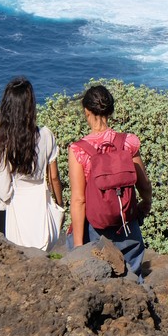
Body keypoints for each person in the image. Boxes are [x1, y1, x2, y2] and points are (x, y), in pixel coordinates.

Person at [69, 84, 153, 281]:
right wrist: (146, 203)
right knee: (134, 278)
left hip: (95, 228)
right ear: (111, 110)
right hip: (126, 222)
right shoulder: (128, 142)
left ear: (86, 111)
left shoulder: (78, 150)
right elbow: (144, 184)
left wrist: (79, 246)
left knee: (97, 282)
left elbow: (79, 199)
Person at [0, 77, 64, 251]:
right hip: (39, 208)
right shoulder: (46, 135)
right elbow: (54, 178)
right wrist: (59, 205)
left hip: (9, 211)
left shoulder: (1, 141)